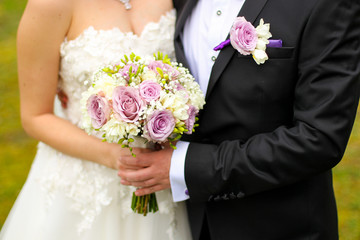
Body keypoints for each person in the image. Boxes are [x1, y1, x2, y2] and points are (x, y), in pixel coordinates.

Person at [118, 0, 360, 239]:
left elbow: (319, 139)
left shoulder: (326, 4)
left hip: (277, 225)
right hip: (188, 221)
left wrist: (186, 166)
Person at [0, 0, 192, 239]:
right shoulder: (49, 6)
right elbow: (35, 116)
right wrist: (113, 156)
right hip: (86, 183)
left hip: (163, 176)